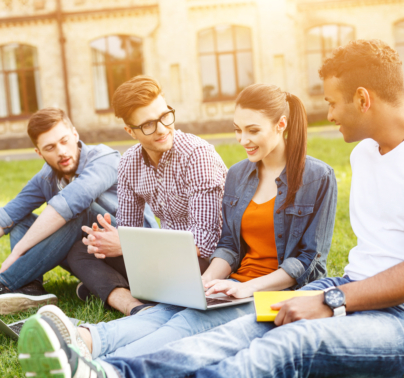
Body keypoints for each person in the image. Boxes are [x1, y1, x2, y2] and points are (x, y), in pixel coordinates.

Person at [22, 39, 404, 378]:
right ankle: (107, 366)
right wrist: (212, 283)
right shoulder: (364, 154)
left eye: (333, 104)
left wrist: (328, 298)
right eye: (238, 130)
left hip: (356, 299)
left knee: (286, 340)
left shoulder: (314, 175)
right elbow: (228, 245)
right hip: (340, 285)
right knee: (226, 326)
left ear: (363, 99)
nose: (330, 114)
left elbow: (301, 259)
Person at [66, 75, 228, 316]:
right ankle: (135, 306)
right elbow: (130, 228)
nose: (162, 129)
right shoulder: (129, 162)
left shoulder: (198, 156)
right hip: (164, 256)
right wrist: (111, 240)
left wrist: (126, 244)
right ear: (130, 131)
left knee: (161, 266)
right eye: (148, 124)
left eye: (164, 116)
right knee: (81, 250)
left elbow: (203, 243)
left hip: (206, 262)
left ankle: (113, 288)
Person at [0, 108, 125, 314]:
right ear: (39, 153)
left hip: (127, 251)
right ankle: (30, 288)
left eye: (64, 141)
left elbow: (71, 203)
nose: (61, 151)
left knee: (79, 212)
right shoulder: (46, 177)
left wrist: (17, 252)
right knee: (20, 219)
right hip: (85, 254)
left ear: (75, 135)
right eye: (50, 147)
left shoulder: (105, 158)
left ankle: (6, 283)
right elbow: (8, 215)